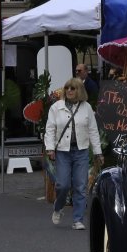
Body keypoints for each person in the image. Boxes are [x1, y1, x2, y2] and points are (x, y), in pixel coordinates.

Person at [44, 77, 102, 229]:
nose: (69, 90)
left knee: (80, 186)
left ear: (79, 91)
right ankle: (58, 207)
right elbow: (50, 129)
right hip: (63, 151)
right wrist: (50, 148)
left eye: (73, 88)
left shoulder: (87, 107)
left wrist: (98, 152)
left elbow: (93, 131)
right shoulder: (56, 107)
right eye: (67, 88)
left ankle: (78, 220)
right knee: (62, 185)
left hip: (81, 151)